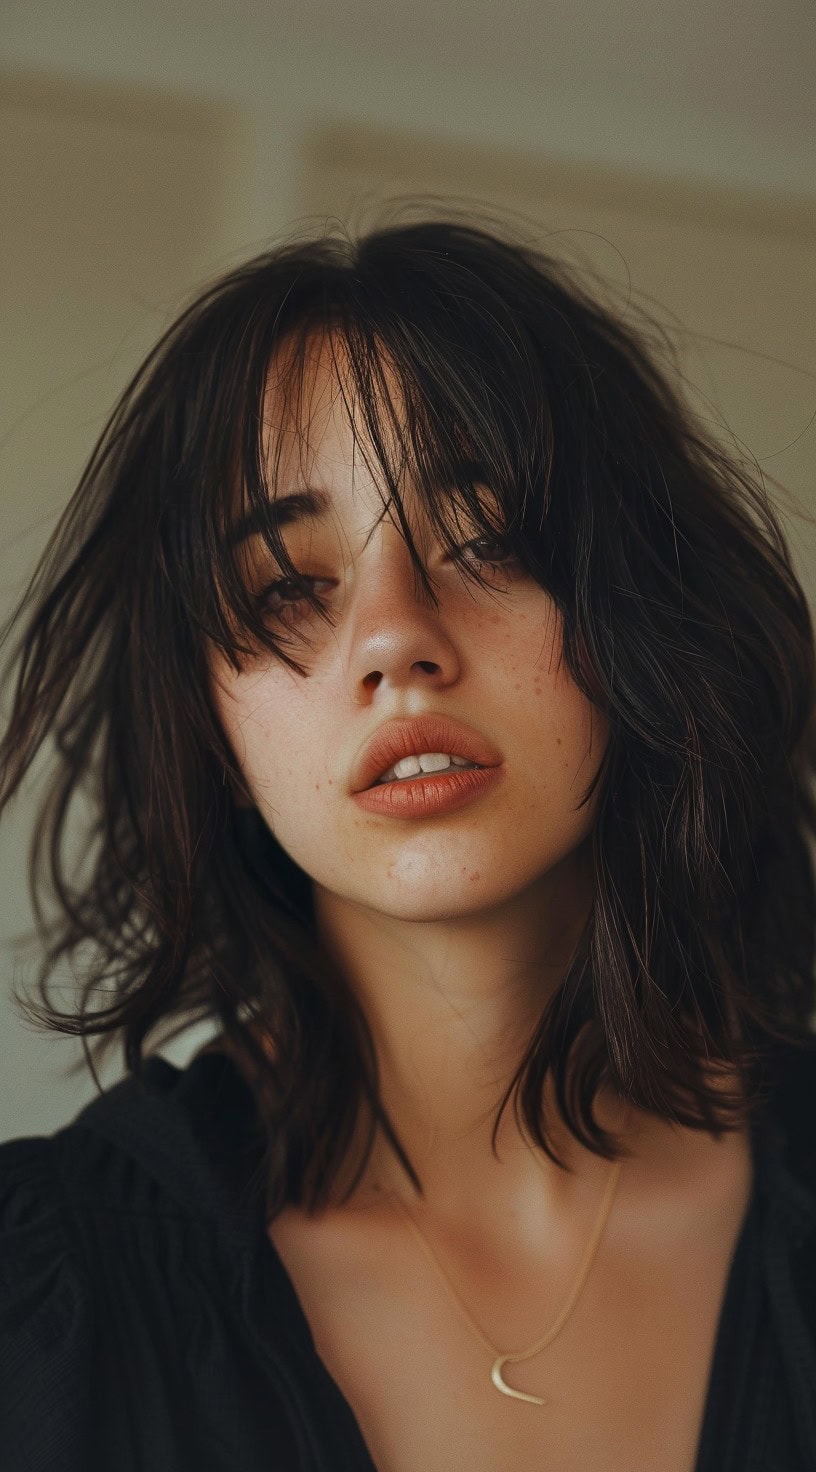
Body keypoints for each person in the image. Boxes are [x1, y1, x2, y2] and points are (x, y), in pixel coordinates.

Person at [1, 212, 815, 1472]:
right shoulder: (43, 1309)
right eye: (287, 582)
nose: (396, 639)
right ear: (206, 720)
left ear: (641, 612)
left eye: (491, 538)